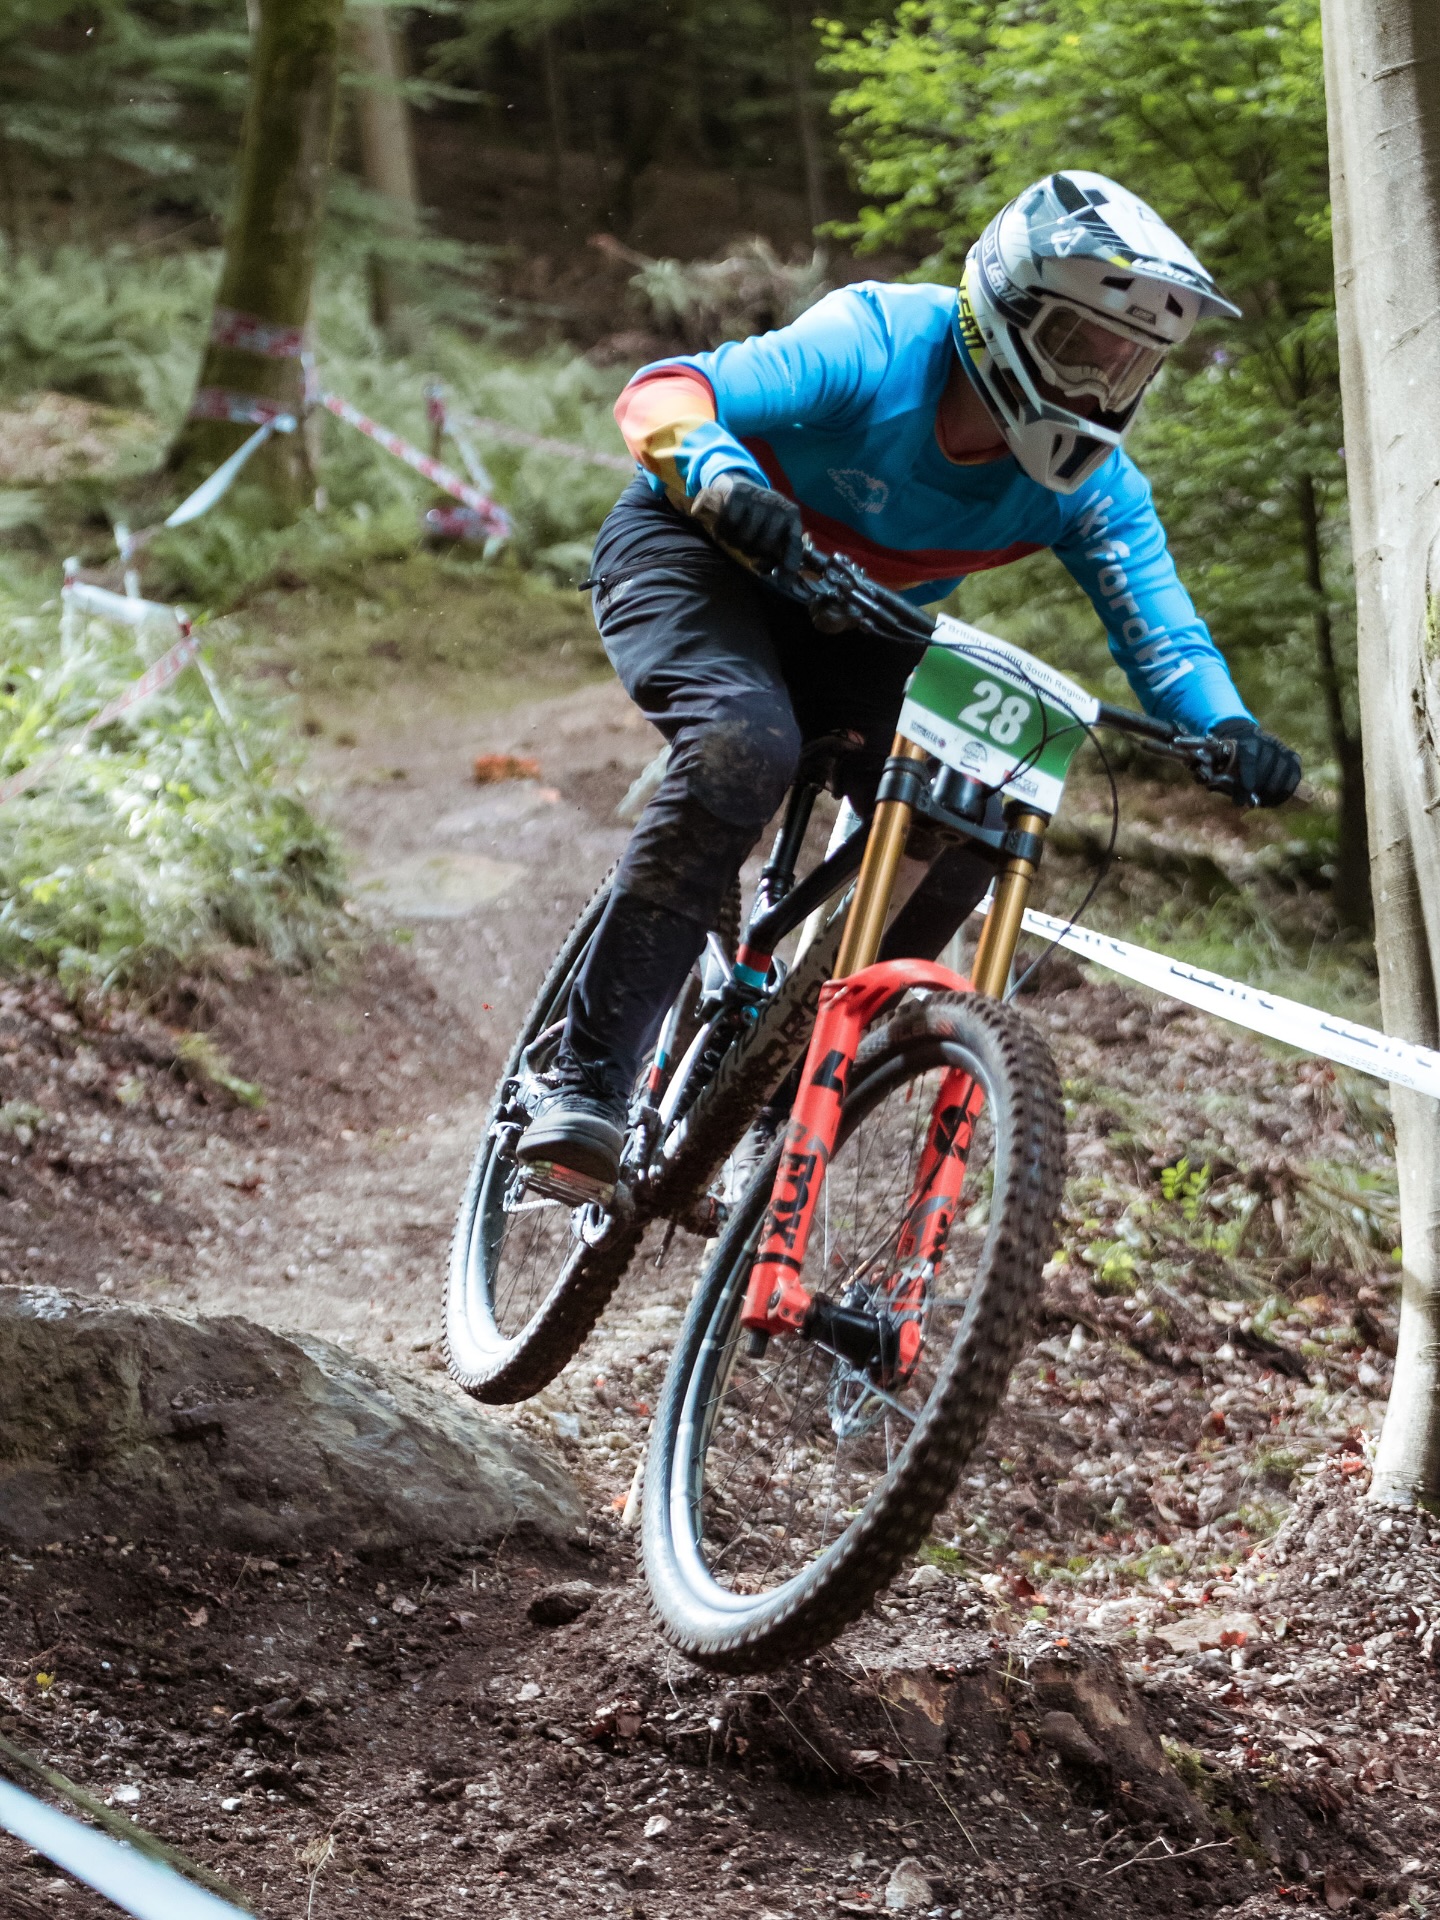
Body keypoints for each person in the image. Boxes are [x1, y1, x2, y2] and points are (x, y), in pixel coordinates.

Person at [517, 170, 1301, 1189]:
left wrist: (1226, 727)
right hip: (699, 548)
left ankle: (778, 1098)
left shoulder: (1095, 490)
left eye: (1127, 368)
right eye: (1079, 350)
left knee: (971, 819)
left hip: (857, 617)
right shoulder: (881, 341)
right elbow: (667, 391)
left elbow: (1167, 640)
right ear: (1003, 316)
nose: (1096, 393)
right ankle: (584, 1082)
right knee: (743, 745)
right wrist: (720, 475)